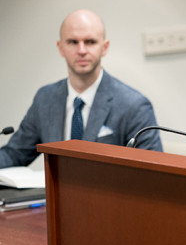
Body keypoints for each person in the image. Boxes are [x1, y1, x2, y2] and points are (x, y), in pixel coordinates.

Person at [0, 9, 162, 168]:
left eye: (90, 42)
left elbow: (154, 174)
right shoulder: (45, 99)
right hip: (52, 194)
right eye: (73, 42)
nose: (82, 50)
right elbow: (14, 154)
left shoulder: (134, 106)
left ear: (104, 47)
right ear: (60, 48)